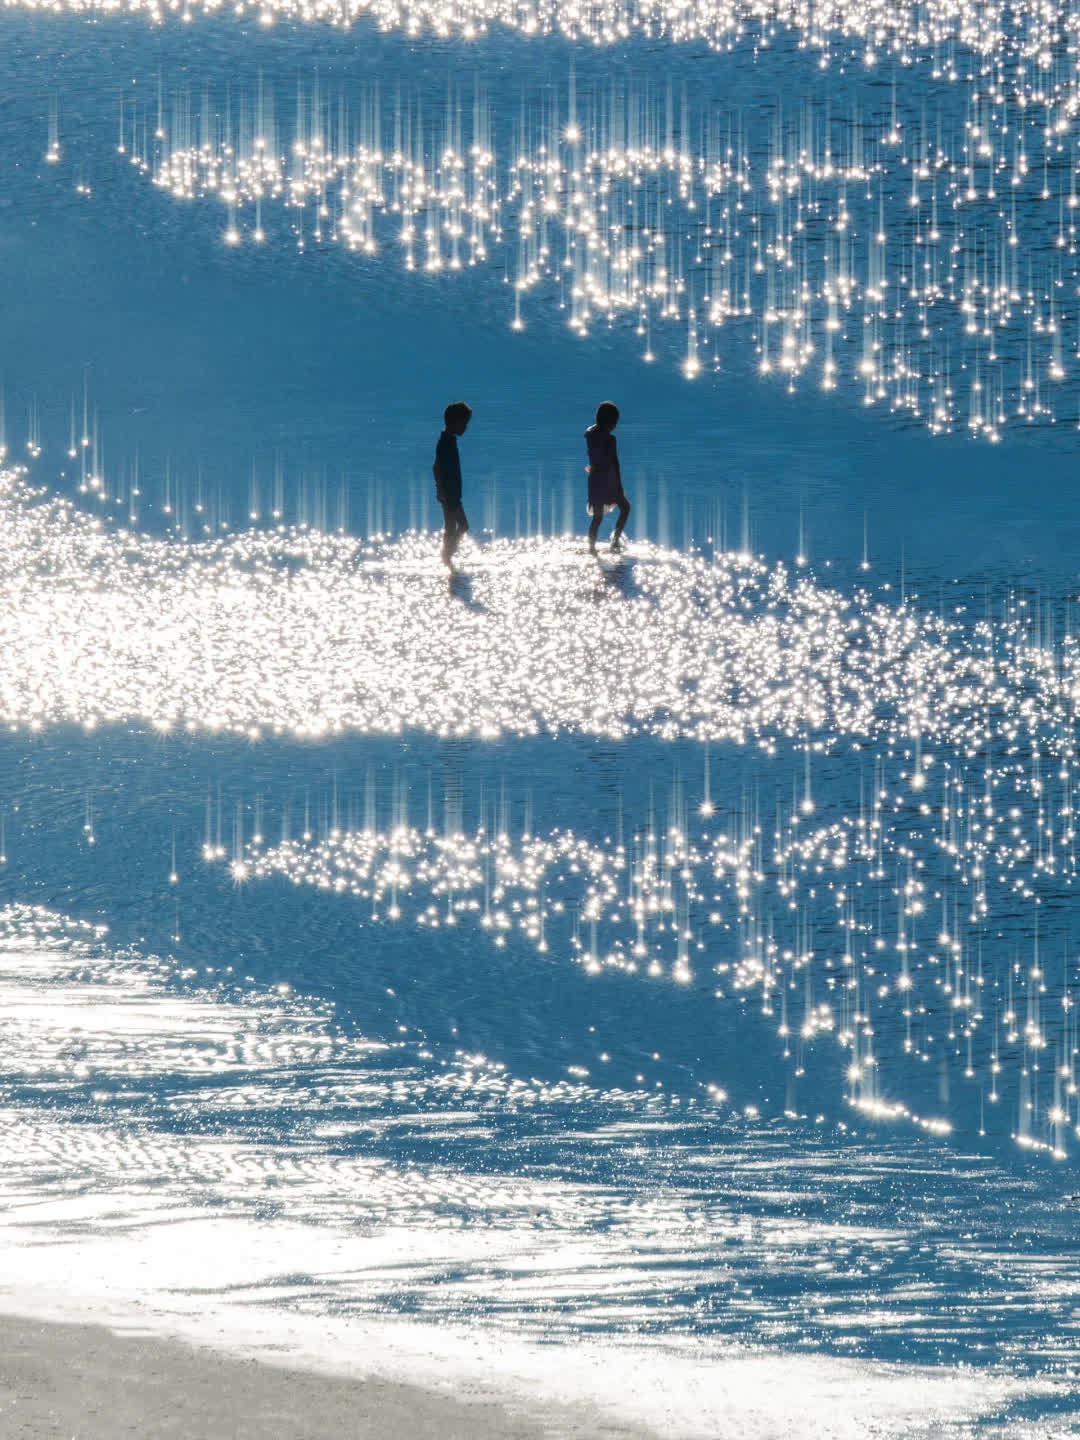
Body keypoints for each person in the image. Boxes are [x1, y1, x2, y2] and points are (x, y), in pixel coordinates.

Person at [585, 401, 630, 554]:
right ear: (610, 422)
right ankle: (615, 540)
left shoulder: (590, 434)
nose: (616, 425)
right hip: (609, 479)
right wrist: (619, 485)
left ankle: (591, 548)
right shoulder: (611, 440)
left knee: (597, 518)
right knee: (625, 508)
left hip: (595, 480)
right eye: (615, 422)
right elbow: (615, 463)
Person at [433, 401, 472, 568]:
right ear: (455, 422)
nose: (465, 427)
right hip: (449, 493)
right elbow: (436, 467)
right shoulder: (445, 442)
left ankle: (448, 556)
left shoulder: (450, 440)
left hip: (453, 492)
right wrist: (441, 490)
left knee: (458, 526)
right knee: (459, 525)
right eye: (464, 424)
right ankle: (447, 557)